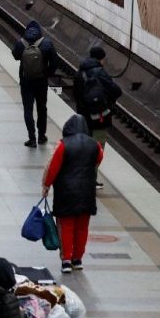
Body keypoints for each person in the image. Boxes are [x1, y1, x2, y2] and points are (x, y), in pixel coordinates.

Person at [41, 115, 103, 273]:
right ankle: (78, 259)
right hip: (87, 192)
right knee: (82, 227)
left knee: (66, 226)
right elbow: (98, 159)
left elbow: (53, 167)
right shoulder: (95, 145)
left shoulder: (63, 145)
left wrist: (46, 185)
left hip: (66, 192)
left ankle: (66, 260)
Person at [74, 46, 122, 189]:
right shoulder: (100, 72)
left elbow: (76, 94)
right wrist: (107, 101)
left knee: (84, 146)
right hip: (100, 117)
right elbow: (116, 91)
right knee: (98, 147)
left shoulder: (80, 72)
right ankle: (90, 179)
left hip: (84, 116)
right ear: (101, 59)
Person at [11, 20, 58, 147]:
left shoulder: (21, 43)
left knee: (28, 109)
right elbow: (55, 62)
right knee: (42, 108)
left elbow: (15, 55)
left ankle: (32, 138)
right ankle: (42, 136)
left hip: (26, 82)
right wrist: (47, 73)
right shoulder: (47, 43)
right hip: (41, 82)